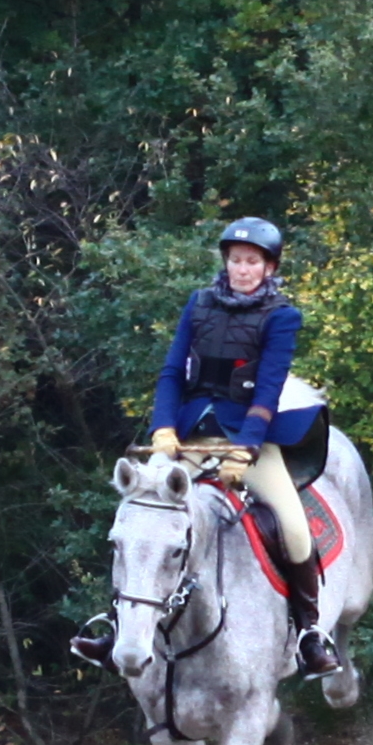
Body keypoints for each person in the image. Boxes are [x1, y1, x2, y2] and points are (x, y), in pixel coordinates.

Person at [71, 217, 340, 676]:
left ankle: (309, 633)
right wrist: (163, 429)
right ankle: (114, 627)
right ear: (226, 262)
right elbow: (172, 372)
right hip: (188, 433)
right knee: (139, 519)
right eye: (236, 260)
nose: (242, 269)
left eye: (252, 262)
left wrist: (245, 449)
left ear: (269, 267)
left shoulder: (282, 317)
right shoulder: (198, 304)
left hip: (248, 437)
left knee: (295, 527)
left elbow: (268, 388)